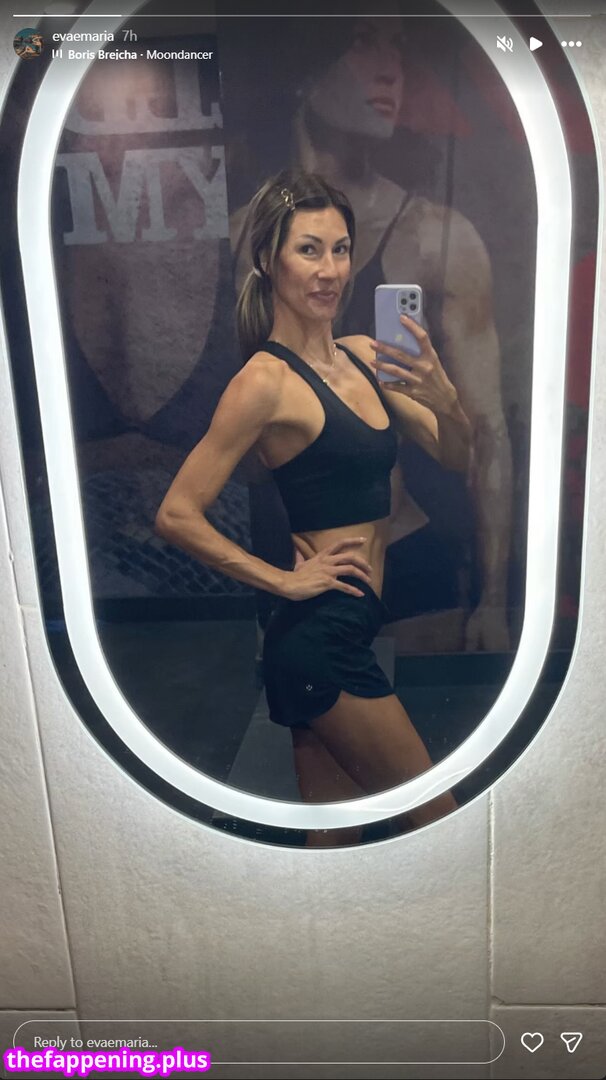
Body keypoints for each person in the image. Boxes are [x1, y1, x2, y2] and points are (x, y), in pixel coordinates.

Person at [156, 170, 470, 845]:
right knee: (440, 824)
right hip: (320, 643)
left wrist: (448, 401)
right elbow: (177, 513)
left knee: (331, 850)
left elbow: (456, 457)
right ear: (268, 260)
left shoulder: (365, 355)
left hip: (346, 630)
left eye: (341, 249)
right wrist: (282, 581)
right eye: (309, 250)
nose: (330, 271)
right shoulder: (263, 383)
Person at [226, 14, 512, 653]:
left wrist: (494, 601)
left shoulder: (435, 238)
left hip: (405, 552)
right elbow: (221, 467)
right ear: (308, 65)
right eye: (363, 41)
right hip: (288, 556)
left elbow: (484, 432)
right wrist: (269, 576)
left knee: (412, 719)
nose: (391, 69)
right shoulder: (241, 237)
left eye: (398, 47)